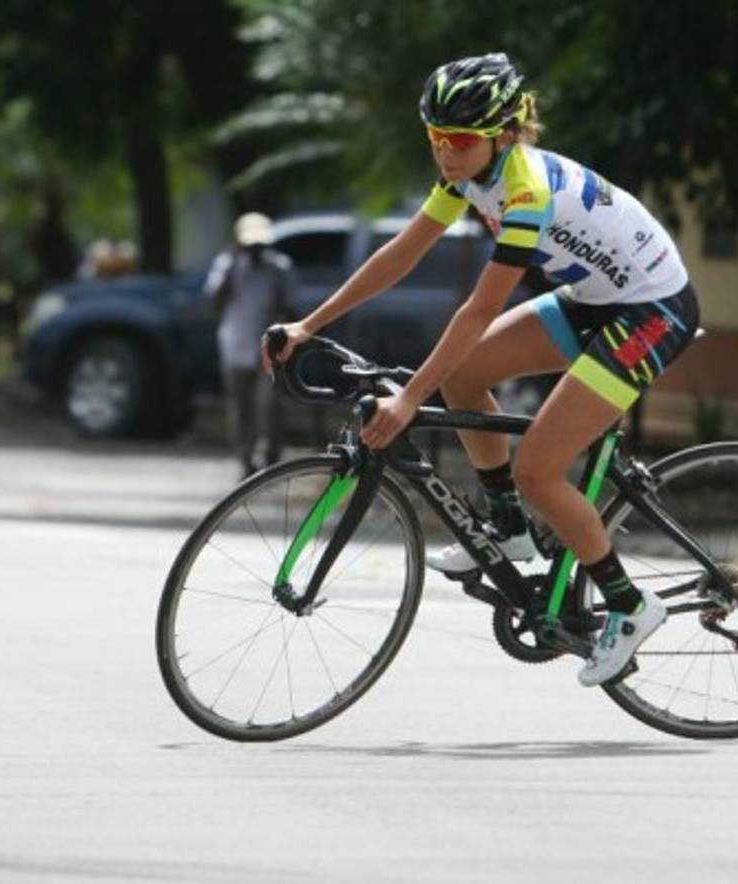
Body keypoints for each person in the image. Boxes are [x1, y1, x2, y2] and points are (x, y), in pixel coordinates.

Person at [266, 53, 700, 687]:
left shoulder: (524, 191)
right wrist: (311, 324)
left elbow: (478, 309)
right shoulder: (469, 175)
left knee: (540, 469)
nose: (446, 152)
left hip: (653, 311)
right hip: (595, 301)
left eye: (460, 140)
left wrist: (407, 401)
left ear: (501, 133)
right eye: (436, 138)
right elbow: (401, 254)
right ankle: (509, 529)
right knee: (463, 377)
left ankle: (632, 608)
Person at [206, 212, 294, 478]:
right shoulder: (227, 265)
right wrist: (233, 266)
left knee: (269, 405)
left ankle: (272, 458)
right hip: (235, 345)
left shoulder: (279, 267)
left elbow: (290, 306)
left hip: (268, 348)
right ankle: (246, 459)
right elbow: (213, 301)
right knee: (240, 407)